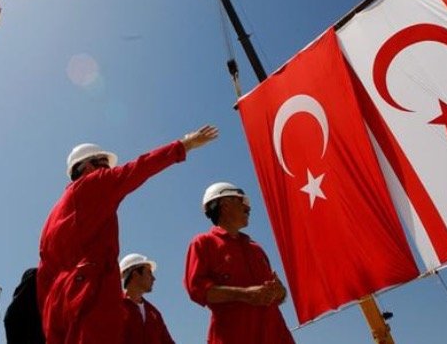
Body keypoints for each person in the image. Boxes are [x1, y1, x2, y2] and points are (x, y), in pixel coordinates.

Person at [38, 125, 218, 344]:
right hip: (90, 290)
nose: (108, 171)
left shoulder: (53, 216)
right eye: (104, 165)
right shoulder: (94, 183)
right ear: (88, 166)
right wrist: (183, 145)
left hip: (57, 302)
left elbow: (44, 274)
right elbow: (137, 169)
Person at [184, 182, 294, 344]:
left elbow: (278, 296)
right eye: (242, 201)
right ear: (225, 205)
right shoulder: (203, 243)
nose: (248, 208)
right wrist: (244, 294)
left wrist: (280, 292)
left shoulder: (256, 249)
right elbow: (197, 290)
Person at [119, 253, 175, 344]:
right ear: (135, 274)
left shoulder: (154, 314)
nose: (153, 278)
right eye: (149, 272)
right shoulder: (114, 307)